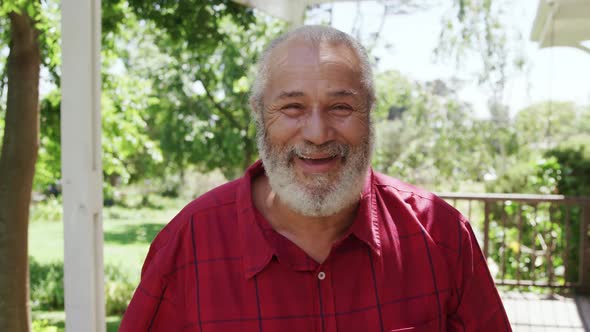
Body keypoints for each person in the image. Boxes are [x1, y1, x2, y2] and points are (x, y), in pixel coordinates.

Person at [119, 25, 511, 332]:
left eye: (341, 106)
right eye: (292, 107)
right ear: (259, 112)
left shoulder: (441, 236)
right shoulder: (188, 244)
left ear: (370, 112)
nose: (318, 133)